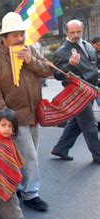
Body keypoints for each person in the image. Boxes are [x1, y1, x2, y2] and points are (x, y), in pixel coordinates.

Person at [0, 12, 52, 211]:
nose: (19, 38)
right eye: (14, 35)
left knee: (27, 154)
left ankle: (23, 187)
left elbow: (48, 71)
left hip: (34, 113)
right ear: (4, 38)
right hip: (14, 116)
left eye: (21, 34)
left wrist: (31, 61)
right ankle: (31, 193)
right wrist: (5, 118)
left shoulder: (29, 50)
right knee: (30, 155)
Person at [50, 20, 100, 163]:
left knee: (77, 124)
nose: (76, 35)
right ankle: (98, 154)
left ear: (82, 30)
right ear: (66, 33)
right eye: (72, 32)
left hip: (91, 90)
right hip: (77, 94)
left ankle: (60, 148)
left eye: (78, 32)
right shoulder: (62, 51)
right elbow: (58, 75)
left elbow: (93, 66)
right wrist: (70, 65)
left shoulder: (87, 45)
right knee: (90, 125)